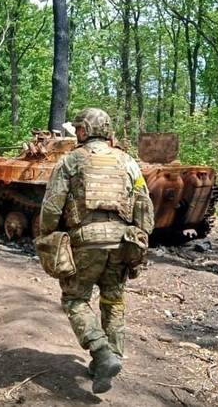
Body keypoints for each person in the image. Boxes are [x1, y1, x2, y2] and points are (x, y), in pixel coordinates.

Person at [39, 107, 154, 394]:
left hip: (86, 241)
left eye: (78, 128)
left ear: (83, 131)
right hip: (123, 242)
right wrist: (141, 238)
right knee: (113, 301)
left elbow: (53, 204)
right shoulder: (128, 162)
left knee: (75, 299)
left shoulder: (70, 161)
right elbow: (144, 203)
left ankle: (101, 351)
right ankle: (110, 360)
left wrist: (47, 233)